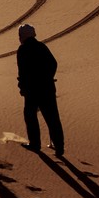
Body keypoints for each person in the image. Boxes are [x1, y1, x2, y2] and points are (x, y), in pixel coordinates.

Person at [17, 23, 64, 156]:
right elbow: (53, 64)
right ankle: (59, 147)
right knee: (52, 118)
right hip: (47, 88)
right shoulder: (42, 47)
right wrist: (47, 78)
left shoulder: (23, 50)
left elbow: (22, 72)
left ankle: (35, 144)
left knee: (30, 116)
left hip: (32, 91)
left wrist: (23, 87)